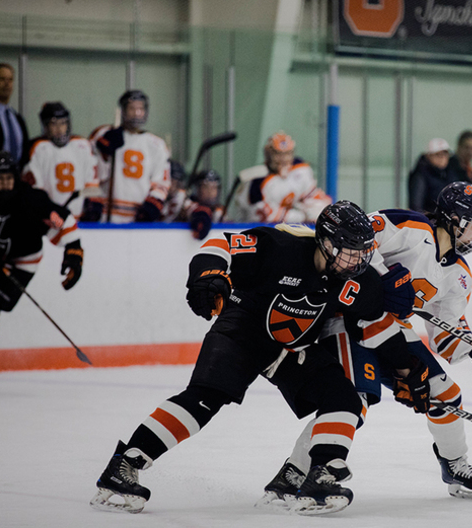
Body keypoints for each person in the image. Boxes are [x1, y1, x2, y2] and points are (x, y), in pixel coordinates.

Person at [89, 200, 415, 516]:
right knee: (204, 399)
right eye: (350, 249)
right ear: (326, 242)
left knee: (343, 397)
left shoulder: (360, 280)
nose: (358, 260)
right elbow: (221, 244)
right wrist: (207, 277)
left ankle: (320, 476)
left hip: (290, 348)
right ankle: (125, 464)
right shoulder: (282, 246)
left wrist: (407, 369)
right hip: (242, 330)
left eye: (364, 251)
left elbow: (375, 325)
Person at [258, 182, 472, 507]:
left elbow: (446, 339)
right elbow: (352, 243)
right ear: (453, 219)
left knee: (445, 394)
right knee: (351, 398)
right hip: (350, 321)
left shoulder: (460, 277)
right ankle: (294, 475)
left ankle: (454, 464)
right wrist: (381, 278)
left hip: (392, 333)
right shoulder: (408, 228)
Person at [0, 151, 84, 345]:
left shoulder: (30, 200)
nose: (3, 184)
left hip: (24, 261)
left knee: (0, 302)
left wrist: (74, 255)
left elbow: (63, 221)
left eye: (8, 178)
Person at [88, 90, 170, 223]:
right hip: (106, 215)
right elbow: (92, 172)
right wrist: (104, 154)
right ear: (123, 111)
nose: (137, 113)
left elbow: (161, 182)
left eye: (141, 109)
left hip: (138, 217)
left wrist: (152, 204)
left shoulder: (157, 145)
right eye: (132, 108)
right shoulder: (104, 134)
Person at [22, 102, 99, 220]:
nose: (59, 129)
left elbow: (91, 180)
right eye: (54, 124)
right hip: (50, 219)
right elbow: (36, 189)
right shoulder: (38, 149)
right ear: (45, 126)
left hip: (78, 218)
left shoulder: (82, 146)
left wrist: (92, 203)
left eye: (63, 123)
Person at [232, 132, 331, 223]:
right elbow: (265, 216)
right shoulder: (257, 180)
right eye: (278, 154)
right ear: (268, 154)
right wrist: (303, 216)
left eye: (287, 154)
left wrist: (318, 211)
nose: (284, 159)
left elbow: (315, 198)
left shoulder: (301, 169)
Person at [409, 138, 472, 214]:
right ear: (429, 156)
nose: (442, 158)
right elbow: (416, 206)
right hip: (429, 221)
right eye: (438, 155)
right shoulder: (420, 175)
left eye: (445, 154)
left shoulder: (452, 172)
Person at [0, 63, 29, 167]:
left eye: (10, 80)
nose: (7, 84)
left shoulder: (17, 118)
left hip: (15, 177)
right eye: (2, 79)